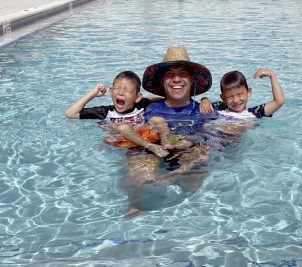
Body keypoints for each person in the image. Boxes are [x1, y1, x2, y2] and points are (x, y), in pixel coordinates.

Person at [124, 46, 215, 215]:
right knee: (138, 166)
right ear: (162, 81)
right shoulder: (148, 108)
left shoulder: (205, 111)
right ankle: (137, 207)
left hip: (187, 154)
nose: (176, 79)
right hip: (155, 151)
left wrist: (192, 143)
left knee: (201, 158)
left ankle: (172, 181)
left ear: (192, 80)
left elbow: (216, 138)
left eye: (183, 74)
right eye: (170, 74)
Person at [64, 71, 170, 157]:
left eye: (127, 90)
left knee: (157, 119)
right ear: (111, 91)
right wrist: (93, 94)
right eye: (117, 88)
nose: (120, 92)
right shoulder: (105, 112)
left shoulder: (141, 105)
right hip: (123, 141)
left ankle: (167, 142)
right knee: (123, 127)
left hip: (143, 137)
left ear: (137, 97)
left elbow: (162, 100)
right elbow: (70, 113)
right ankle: (150, 146)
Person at [200, 68, 285, 136]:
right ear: (223, 98)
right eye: (230, 96)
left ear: (249, 92)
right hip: (207, 136)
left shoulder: (254, 113)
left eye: (239, 94)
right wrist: (204, 100)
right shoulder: (220, 106)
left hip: (228, 143)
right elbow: (205, 105)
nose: (236, 100)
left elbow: (279, 101)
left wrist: (272, 76)